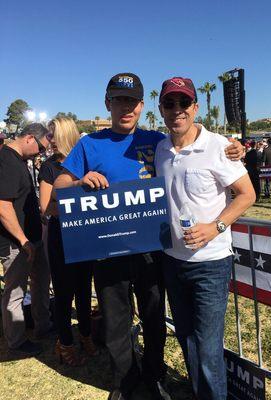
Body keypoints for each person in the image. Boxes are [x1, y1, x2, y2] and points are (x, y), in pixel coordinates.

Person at [54, 73, 244, 400]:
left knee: (155, 319)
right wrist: (79, 182)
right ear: (107, 103)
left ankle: (156, 376)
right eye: (118, 100)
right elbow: (57, 191)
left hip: (152, 251)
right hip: (108, 252)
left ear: (141, 105)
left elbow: (195, 143)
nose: (125, 107)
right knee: (116, 324)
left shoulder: (158, 141)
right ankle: (124, 382)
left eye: (131, 101)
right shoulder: (88, 144)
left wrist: (235, 148)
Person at [154, 77, 255, 400]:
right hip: (172, 260)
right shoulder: (160, 148)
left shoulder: (218, 146)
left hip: (210, 264)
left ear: (195, 108)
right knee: (184, 336)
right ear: (162, 109)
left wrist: (216, 227)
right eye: (170, 104)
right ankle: (200, 393)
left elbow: (247, 194)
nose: (177, 110)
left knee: (209, 347)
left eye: (184, 103)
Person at [38, 117, 98, 366]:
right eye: (47, 135)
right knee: (64, 294)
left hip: (85, 234)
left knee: (85, 290)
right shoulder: (49, 167)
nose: (48, 140)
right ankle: (65, 343)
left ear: (63, 135)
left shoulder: (85, 161)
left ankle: (85, 335)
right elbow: (45, 208)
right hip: (60, 237)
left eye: (52, 135)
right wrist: (75, 204)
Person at [0, 123, 52, 355]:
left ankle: (43, 326)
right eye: (40, 148)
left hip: (32, 238)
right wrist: (22, 240)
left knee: (41, 283)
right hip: (16, 243)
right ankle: (16, 342)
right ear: (30, 138)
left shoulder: (20, 161)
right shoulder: (7, 161)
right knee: (15, 292)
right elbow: (3, 207)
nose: (41, 153)